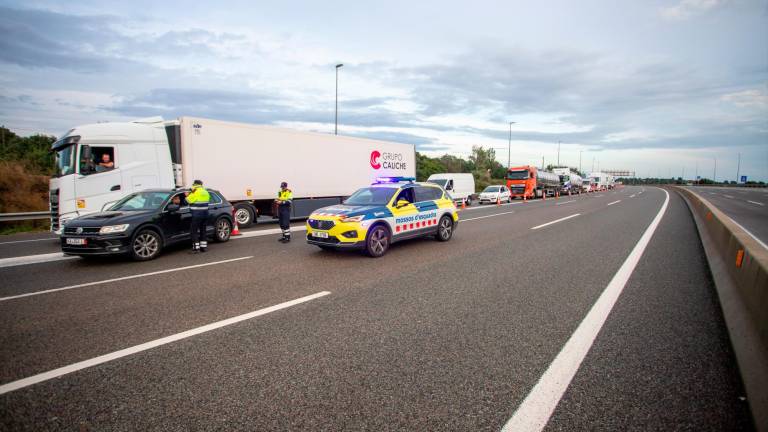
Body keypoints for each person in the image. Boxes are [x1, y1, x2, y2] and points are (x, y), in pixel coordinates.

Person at [185, 180, 211, 253]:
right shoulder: (205, 191)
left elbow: (187, 201)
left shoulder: (195, 192)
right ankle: (203, 247)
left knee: (194, 231)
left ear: (195, 184)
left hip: (197, 215)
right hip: (205, 214)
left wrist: (187, 195)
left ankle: (196, 249)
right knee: (203, 231)